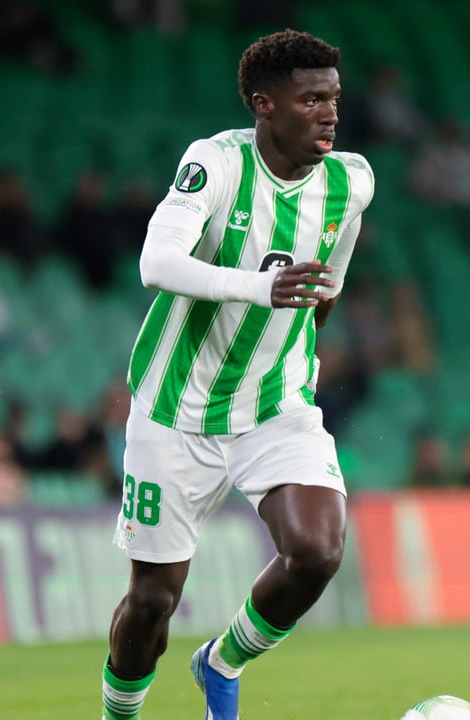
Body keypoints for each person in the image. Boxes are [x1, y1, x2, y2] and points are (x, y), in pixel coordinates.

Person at [101, 30, 373, 720]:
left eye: (334, 99)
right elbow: (156, 263)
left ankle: (221, 663)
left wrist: (313, 311)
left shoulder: (352, 181)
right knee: (151, 603)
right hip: (176, 409)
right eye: (311, 100)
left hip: (275, 403)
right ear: (264, 103)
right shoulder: (216, 163)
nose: (329, 115)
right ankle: (119, 715)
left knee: (317, 550)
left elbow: (333, 271)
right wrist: (260, 289)